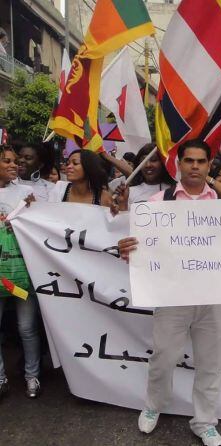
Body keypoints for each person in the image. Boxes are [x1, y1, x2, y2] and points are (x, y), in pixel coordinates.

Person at [118, 139, 221, 446]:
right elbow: (139, 246)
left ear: (209, 166)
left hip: (214, 298)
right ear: (179, 164)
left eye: (200, 161)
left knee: (211, 361)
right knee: (164, 356)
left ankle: (205, 421)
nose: (194, 166)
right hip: (172, 297)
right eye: (189, 160)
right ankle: (154, 405)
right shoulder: (157, 204)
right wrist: (127, 249)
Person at [0, 146, 41, 399]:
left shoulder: (27, 192)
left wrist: (32, 210)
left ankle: (32, 376)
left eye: (15, 161)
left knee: (27, 328)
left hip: (22, 273)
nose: (14, 165)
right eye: (7, 161)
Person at [48, 150, 112, 206]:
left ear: (89, 167)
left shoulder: (104, 198)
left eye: (75, 163)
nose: (69, 167)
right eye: (68, 163)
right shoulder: (60, 189)